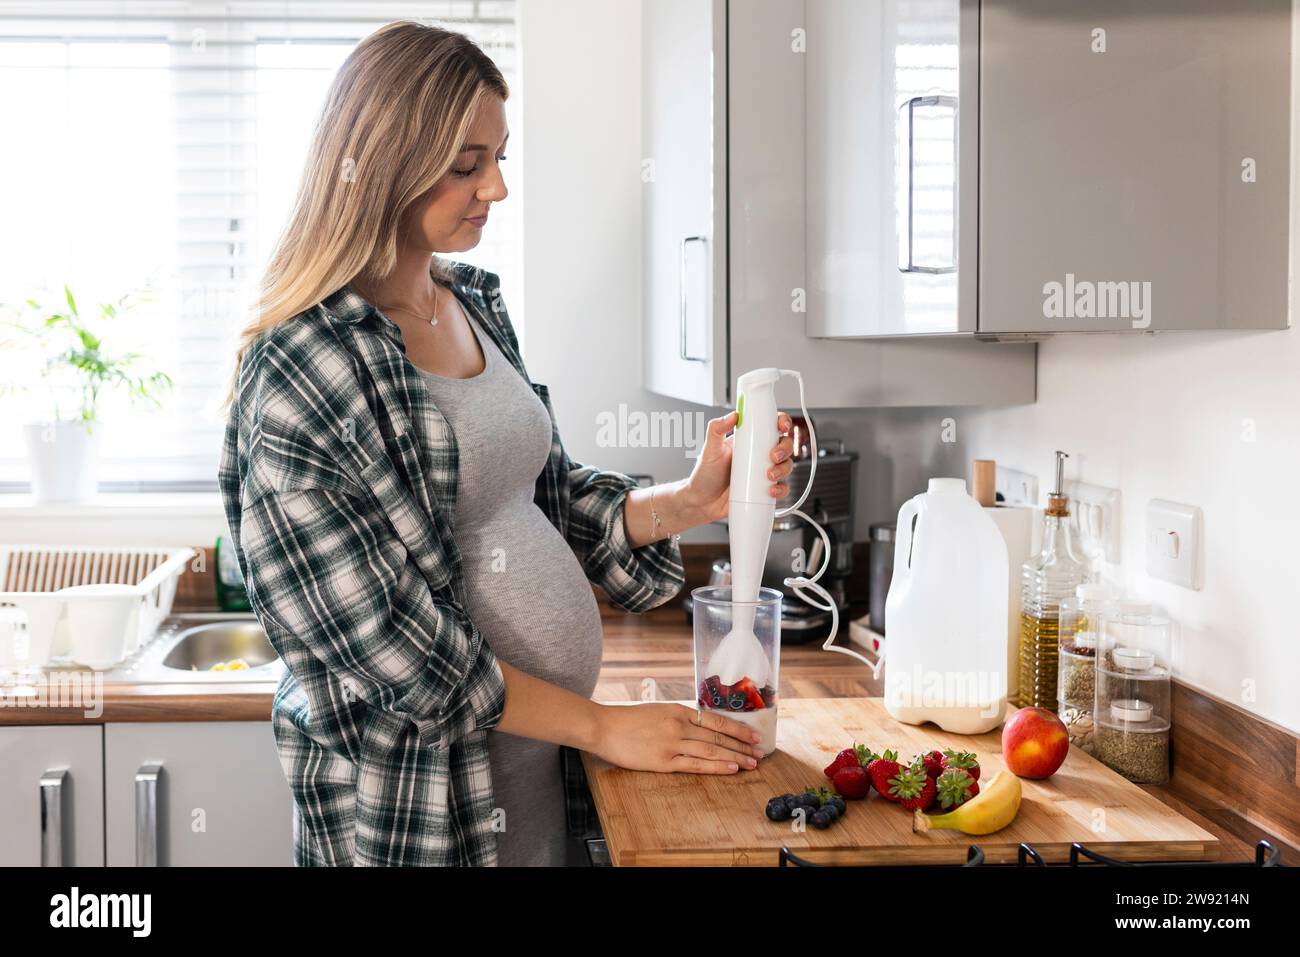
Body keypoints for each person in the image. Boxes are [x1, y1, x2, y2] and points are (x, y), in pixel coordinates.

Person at [217, 20, 796, 866]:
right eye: (466, 165)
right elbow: (396, 649)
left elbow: (543, 501)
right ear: (383, 163)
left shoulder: (471, 302)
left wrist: (690, 499)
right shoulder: (301, 371)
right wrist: (604, 725)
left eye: (500, 157)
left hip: (540, 774)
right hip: (420, 810)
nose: (496, 188)